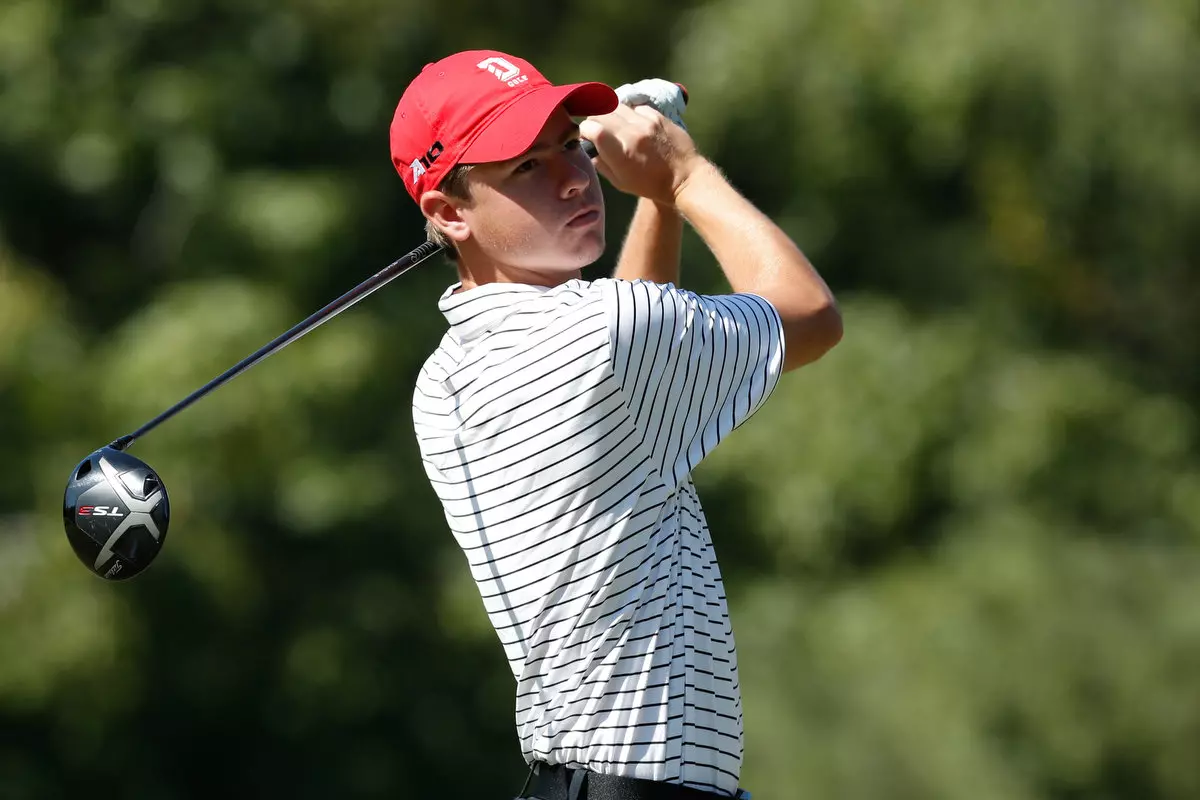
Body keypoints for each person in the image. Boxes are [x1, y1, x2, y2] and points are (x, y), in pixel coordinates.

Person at [391, 49, 842, 800]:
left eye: (570, 143)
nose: (574, 177)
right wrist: (683, 175)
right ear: (448, 213)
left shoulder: (441, 379)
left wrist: (655, 203)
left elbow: (637, 351)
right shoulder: (604, 333)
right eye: (526, 169)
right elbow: (811, 317)